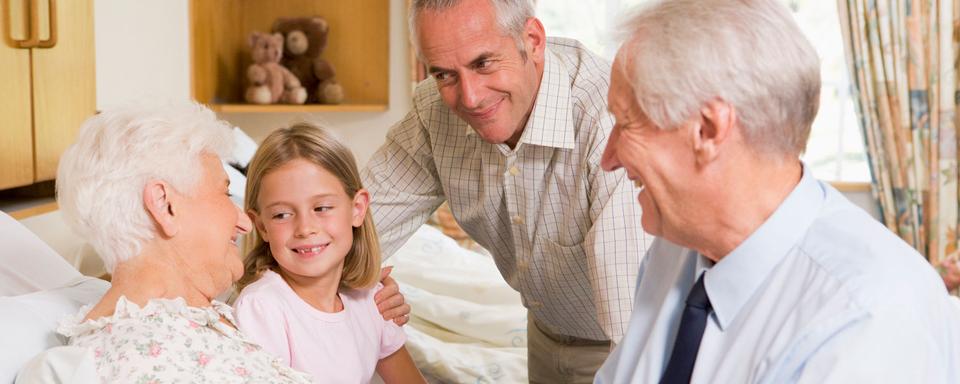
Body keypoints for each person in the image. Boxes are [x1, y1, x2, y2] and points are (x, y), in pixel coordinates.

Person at [595, 0, 960, 383]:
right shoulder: (676, 248)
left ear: (708, 130)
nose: (608, 159)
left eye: (625, 123)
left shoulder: (868, 319)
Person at [362, 0, 650, 381]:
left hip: (620, 345)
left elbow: (631, 327)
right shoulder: (434, 111)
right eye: (445, 75)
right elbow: (351, 231)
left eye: (483, 63)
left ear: (532, 39)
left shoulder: (604, 121)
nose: (470, 97)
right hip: (544, 332)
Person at [55, 102, 313, 383]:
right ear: (165, 205)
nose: (245, 222)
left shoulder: (188, 324)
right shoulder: (147, 360)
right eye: (225, 193)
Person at [233, 123, 426, 384]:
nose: (305, 228)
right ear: (261, 226)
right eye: (282, 215)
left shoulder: (371, 300)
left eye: (322, 208)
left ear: (357, 208)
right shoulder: (261, 308)